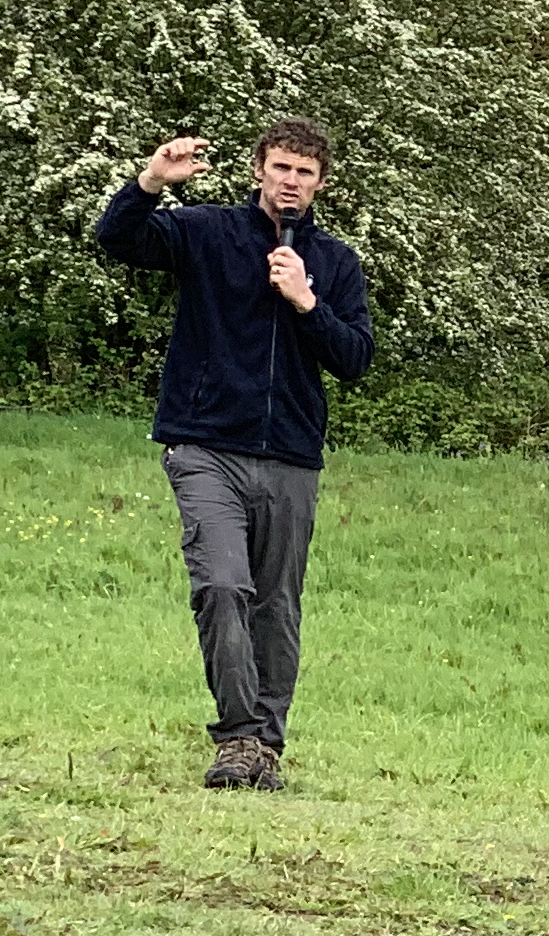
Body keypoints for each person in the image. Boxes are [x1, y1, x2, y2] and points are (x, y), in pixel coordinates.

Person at [93, 120, 376, 788]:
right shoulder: (207, 231)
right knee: (223, 584)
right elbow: (119, 239)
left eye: (304, 173)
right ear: (259, 171)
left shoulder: (334, 264)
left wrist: (307, 302)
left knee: (275, 606)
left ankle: (265, 747)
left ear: (320, 184)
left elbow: (356, 359)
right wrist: (152, 182)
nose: (290, 182)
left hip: (291, 455)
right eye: (281, 168)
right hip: (204, 444)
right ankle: (239, 737)